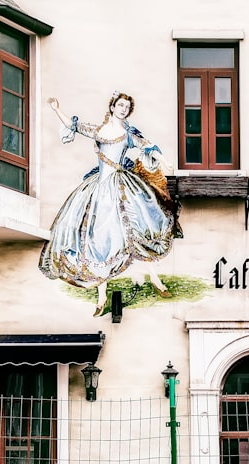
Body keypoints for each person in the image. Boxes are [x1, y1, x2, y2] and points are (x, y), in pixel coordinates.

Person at [39, 92, 182, 316]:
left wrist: (164, 161)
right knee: (98, 238)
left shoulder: (128, 134)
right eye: (120, 105)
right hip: (98, 189)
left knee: (136, 230)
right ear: (113, 107)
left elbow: (148, 146)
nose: (123, 109)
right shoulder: (99, 130)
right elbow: (75, 127)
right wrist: (57, 109)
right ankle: (102, 296)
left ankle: (155, 279)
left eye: (127, 106)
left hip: (121, 187)